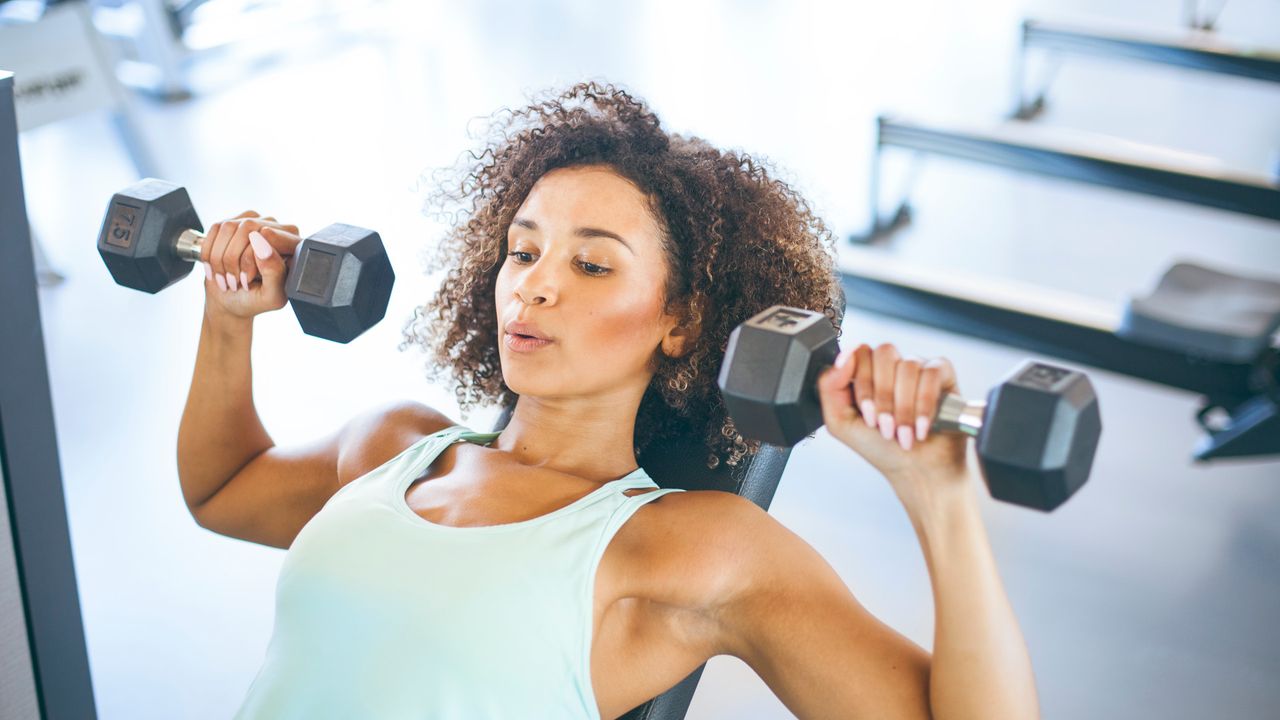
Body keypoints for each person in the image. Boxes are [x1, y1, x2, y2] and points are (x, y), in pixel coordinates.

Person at [178, 81, 1038, 720]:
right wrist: (228, 314)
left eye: (591, 265)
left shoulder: (688, 550)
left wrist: (940, 495)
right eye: (523, 252)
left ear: (681, 320)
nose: (534, 288)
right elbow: (223, 490)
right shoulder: (392, 447)